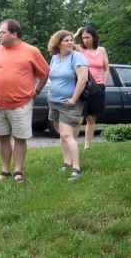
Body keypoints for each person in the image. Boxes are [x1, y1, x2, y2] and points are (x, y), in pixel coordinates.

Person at [0, 19, 49, 182]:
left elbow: (45, 73)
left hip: (21, 104)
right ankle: (5, 171)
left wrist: (37, 91)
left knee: (19, 137)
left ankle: (18, 171)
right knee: (3, 137)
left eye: (2, 32)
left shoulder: (31, 51)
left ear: (14, 34)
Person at [47, 30, 88, 180]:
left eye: (71, 40)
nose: (70, 42)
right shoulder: (55, 58)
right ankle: (66, 162)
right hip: (54, 101)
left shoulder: (77, 57)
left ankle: (76, 168)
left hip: (69, 103)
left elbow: (82, 79)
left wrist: (73, 99)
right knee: (62, 135)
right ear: (58, 43)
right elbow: (53, 77)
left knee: (66, 134)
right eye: (66, 40)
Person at [73, 25, 109, 150]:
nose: (85, 40)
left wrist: (103, 84)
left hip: (97, 88)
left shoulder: (101, 50)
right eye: (82, 38)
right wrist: (76, 34)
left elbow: (106, 68)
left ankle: (87, 146)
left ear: (94, 37)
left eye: (87, 37)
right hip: (82, 86)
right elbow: (63, 45)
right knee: (78, 119)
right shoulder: (79, 50)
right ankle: (73, 146)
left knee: (91, 118)